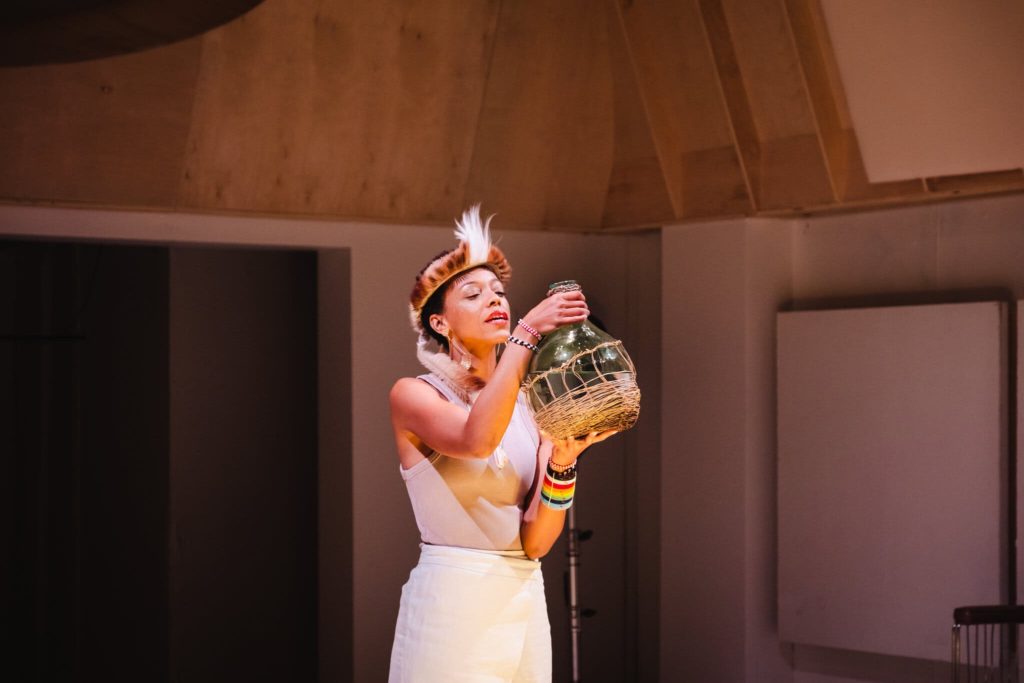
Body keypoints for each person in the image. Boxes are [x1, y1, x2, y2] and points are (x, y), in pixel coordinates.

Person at [388, 206, 616, 682]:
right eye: (473, 294)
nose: (494, 299)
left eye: (498, 291)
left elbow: (536, 543)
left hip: (524, 593)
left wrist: (562, 464)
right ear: (440, 324)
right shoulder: (415, 394)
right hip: (453, 598)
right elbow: (476, 440)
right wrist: (525, 335)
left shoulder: (529, 403)